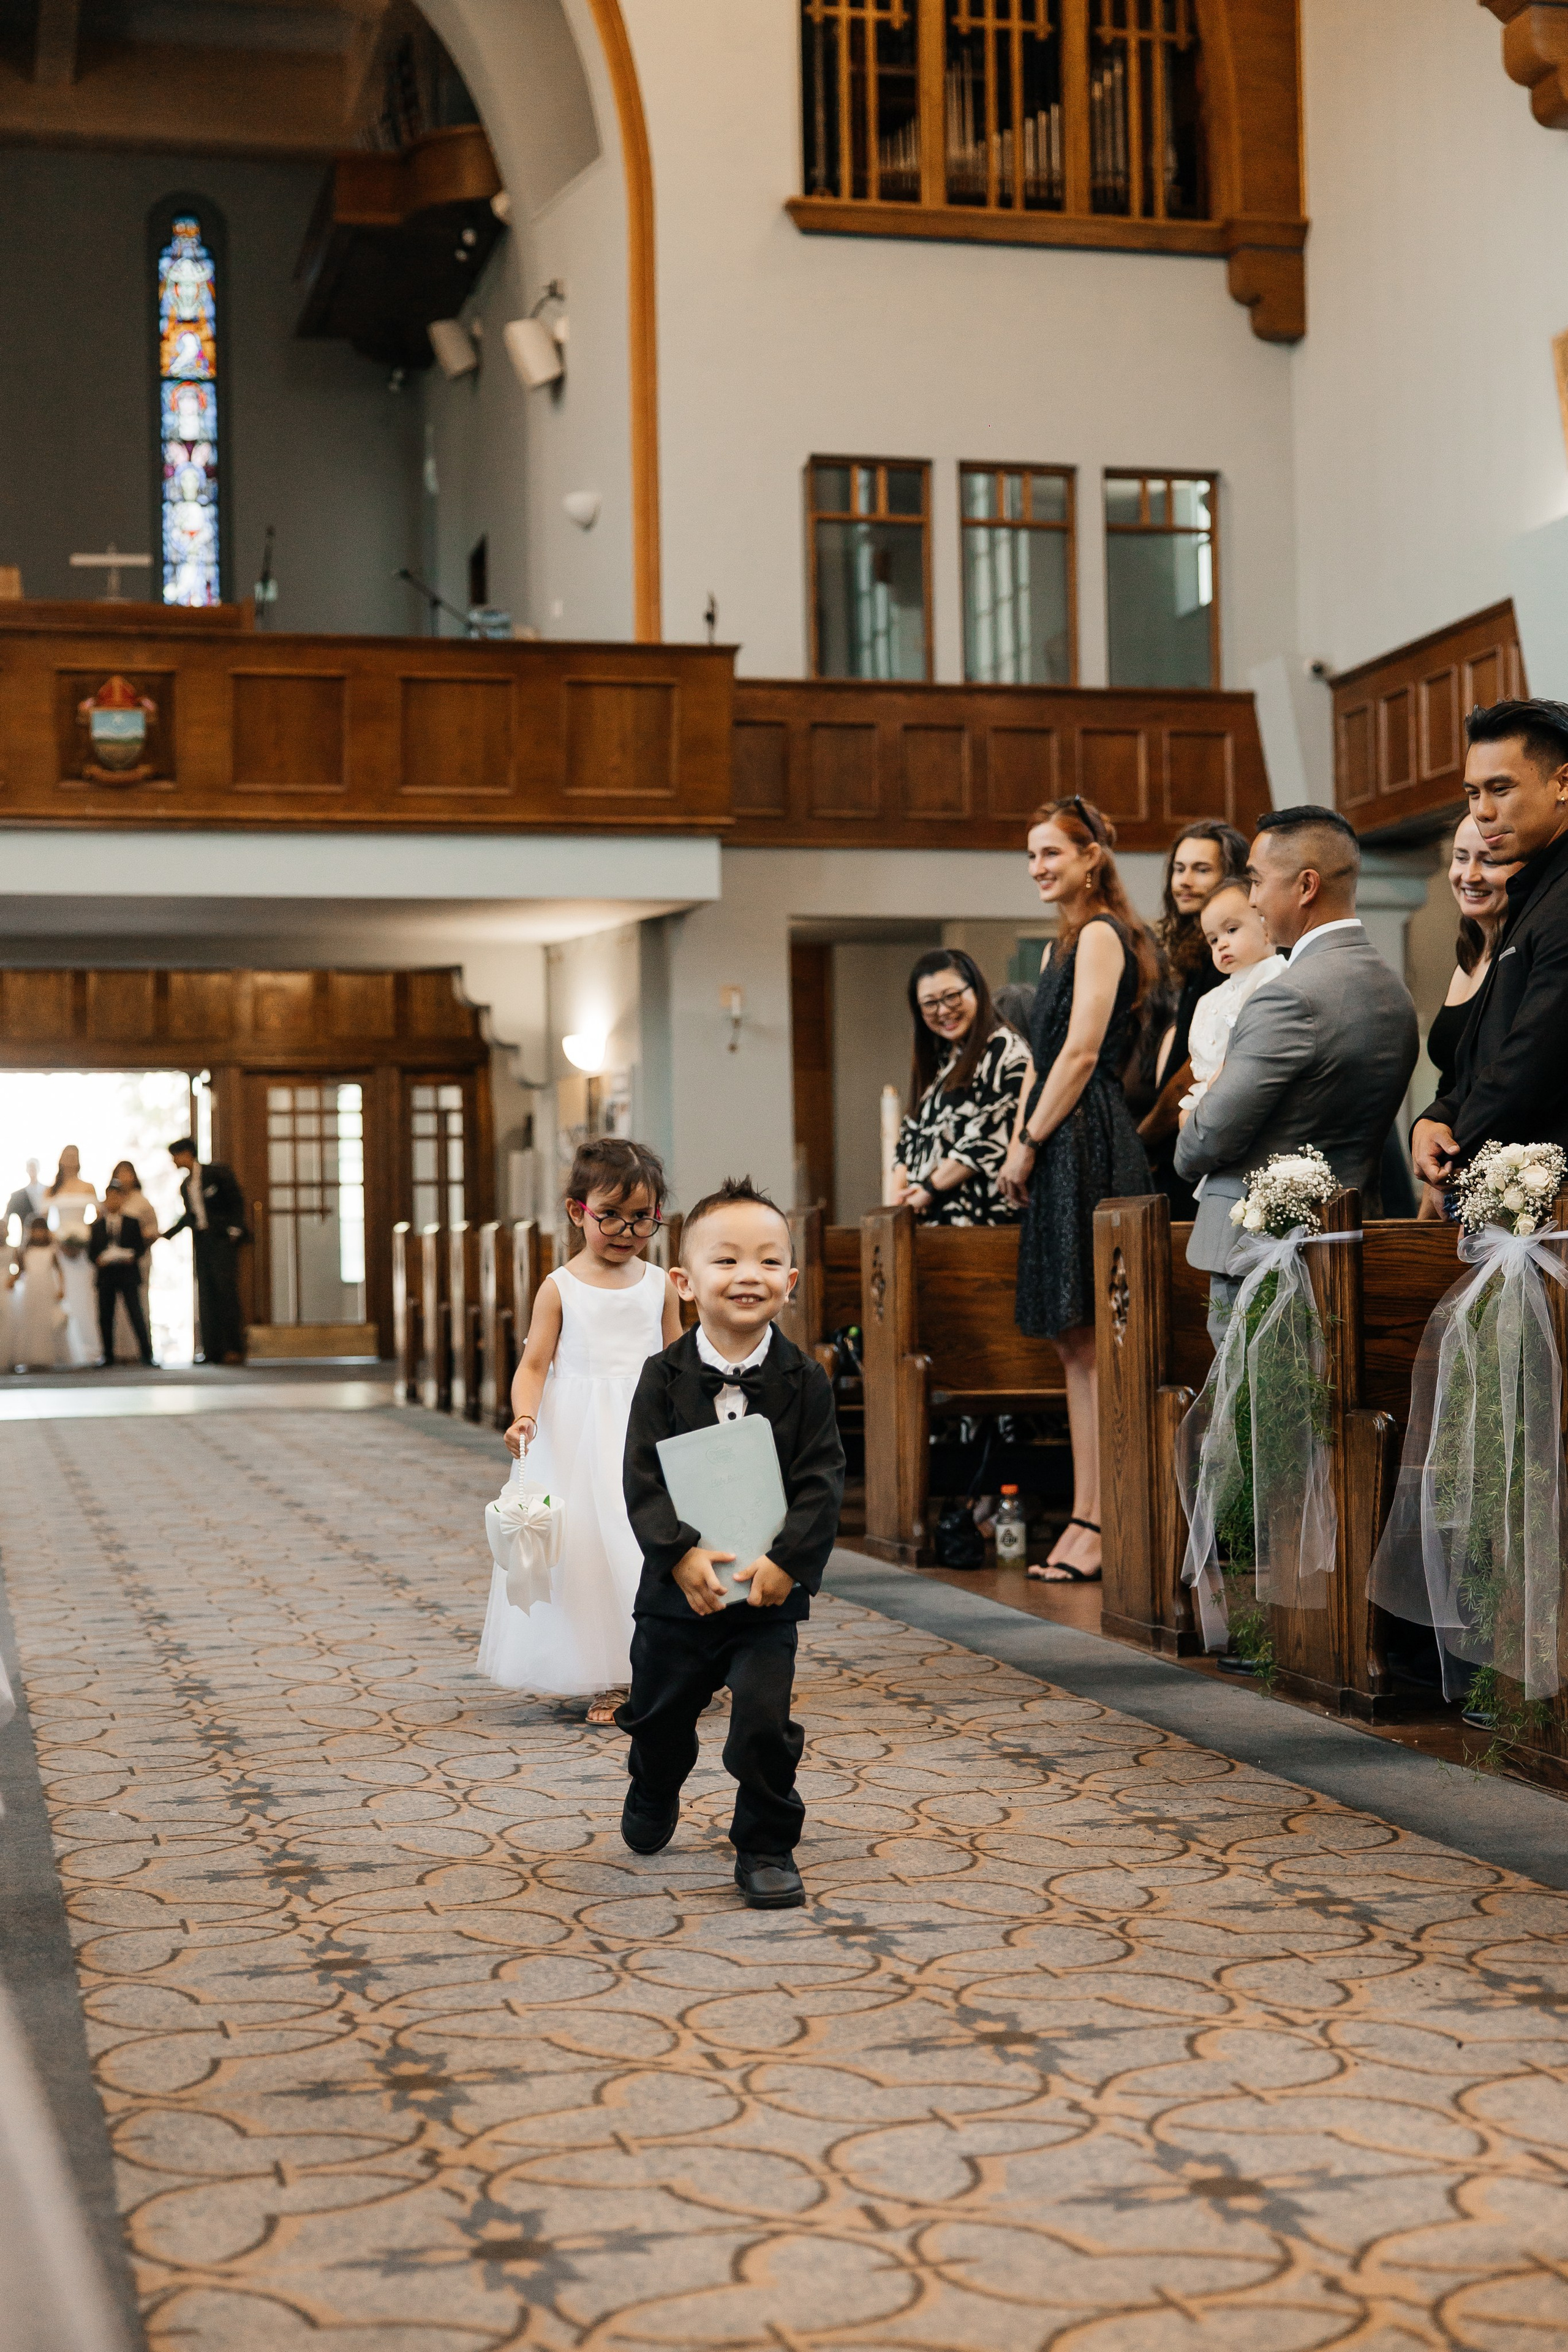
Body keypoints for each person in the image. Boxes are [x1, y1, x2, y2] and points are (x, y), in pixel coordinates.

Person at [618, 1177, 845, 1910]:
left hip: (764, 1595)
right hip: (676, 1595)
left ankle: (766, 1844)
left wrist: (788, 1563)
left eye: (768, 1261)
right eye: (726, 1260)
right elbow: (642, 1477)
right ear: (683, 1282)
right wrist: (677, 1552)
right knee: (659, 1718)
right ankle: (654, 1782)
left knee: (762, 1724)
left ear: (791, 1281)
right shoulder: (661, 1376)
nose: (750, 1275)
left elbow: (821, 1480)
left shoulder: (805, 1380)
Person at [1175, 805, 1419, 1338]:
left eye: (1258, 881)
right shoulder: (1393, 992)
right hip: (1346, 1238)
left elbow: (1203, 1142)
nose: (1253, 899)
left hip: (1262, 1255)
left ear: (1306, 886)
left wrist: (1193, 1117)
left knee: (1258, 1395)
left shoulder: (1286, 996)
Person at [998, 797, 1158, 1583]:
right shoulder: (1057, 944)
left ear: (1091, 857)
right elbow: (1038, 1057)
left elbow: (1083, 1052)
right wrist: (1016, 1143)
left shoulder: (1100, 933)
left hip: (1087, 1136)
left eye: (1051, 853)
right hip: (1053, 1135)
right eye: (1031, 856)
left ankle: (1103, 1519)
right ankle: (1082, 1514)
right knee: (1071, 1343)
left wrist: (1031, 1143)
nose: (1038, 867)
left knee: (1096, 1343)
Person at [479, 1139, 681, 1722]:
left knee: (646, 1544)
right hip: (577, 1435)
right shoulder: (560, 1286)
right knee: (591, 1550)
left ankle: (666, 1664)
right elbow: (534, 1365)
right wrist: (525, 1415)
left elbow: (676, 1359)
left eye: (641, 1217)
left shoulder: (660, 1284)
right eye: (610, 1215)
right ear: (578, 1211)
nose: (626, 1231)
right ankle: (612, 1675)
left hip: (644, 1426)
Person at [1412, 698, 1568, 1190]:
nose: (1482, 811)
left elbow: (1533, 1059)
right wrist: (1434, 1119)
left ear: (1563, 783)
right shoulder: (1534, 891)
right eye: (1473, 792)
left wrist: (1453, 1151)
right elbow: (1485, 1056)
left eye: (1501, 789)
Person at [1137, 823, 1251, 1213]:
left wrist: (1147, 1134)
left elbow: (1202, 1065)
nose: (1185, 881)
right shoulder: (1198, 951)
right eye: (1179, 868)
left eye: (1202, 870)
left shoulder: (1231, 958)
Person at [1417, 815, 1521, 1219]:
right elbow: (1454, 1079)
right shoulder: (1471, 956)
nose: (1470, 875)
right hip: (1453, 1169)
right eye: (1461, 858)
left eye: (1489, 860)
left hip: (1503, 1177)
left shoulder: (1522, 959)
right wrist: (1429, 1128)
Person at [891, 949, 1030, 1226]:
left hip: (978, 1223)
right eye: (930, 1003)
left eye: (952, 996)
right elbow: (910, 1133)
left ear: (975, 989)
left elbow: (988, 1136)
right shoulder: (944, 1060)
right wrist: (897, 1198)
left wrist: (929, 1189)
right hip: (929, 1221)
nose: (943, 1010)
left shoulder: (1006, 1051)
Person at [1176, 881, 1286, 1125]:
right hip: (1212, 1105)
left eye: (1232, 930)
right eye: (1213, 940)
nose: (1222, 944)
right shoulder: (1212, 999)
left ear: (1267, 927)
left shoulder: (1275, 979)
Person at [164, 1139, 249, 1364]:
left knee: (226, 1293)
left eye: (175, 1156)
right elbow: (190, 1216)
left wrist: (235, 1229)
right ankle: (212, 1350)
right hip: (202, 1242)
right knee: (206, 1294)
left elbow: (236, 1201)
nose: (174, 1161)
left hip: (222, 1240)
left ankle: (234, 1348)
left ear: (187, 1153)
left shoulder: (217, 1174)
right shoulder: (186, 1185)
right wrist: (167, 1234)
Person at [88, 1182, 154, 1366]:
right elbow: (92, 1253)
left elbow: (140, 1247)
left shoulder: (132, 1222)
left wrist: (131, 1256)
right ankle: (108, 1355)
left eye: (116, 1197)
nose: (113, 1201)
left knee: (136, 1314)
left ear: (122, 1199)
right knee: (105, 1316)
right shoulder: (97, 1226)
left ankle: (147, 1354)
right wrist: (99, 1260)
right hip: (106, 1276)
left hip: (127, 1274)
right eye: (109, 1197)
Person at [47, 1147, 99, 1368]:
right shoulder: (52, 1189)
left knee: (84, 1297)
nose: (70, 1160)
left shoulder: (88, 1187)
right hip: (60, 1251)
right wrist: (61, 1241)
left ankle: (89, 1348)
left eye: (74, 1156)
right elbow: (42, 1221)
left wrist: (82, 1240)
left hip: (82, 1252)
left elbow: (99, 1218)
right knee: (62, 1295)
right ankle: (63, 1350)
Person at [106, 1159, 161, 1358]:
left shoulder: (142, 1202)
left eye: (127, 1173)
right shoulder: (110, 1200)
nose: (124, 1177)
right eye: (120, 1173)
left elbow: (153, 1230)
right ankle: (119, 1351)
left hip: (137, 1260)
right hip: (113, 1264)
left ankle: (140, 1351)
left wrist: (137, 1243)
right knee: (116, 1308)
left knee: (138, 1303)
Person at [13, 1217, 66, 1370]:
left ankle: (49, 1356)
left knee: (47, 1321)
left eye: (41, 1230)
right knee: (30, 1322)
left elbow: (60, 1270)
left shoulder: (52, 1249)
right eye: (35, 1230)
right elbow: (20, 1271)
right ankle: (31, 1357)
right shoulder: (24, 1251)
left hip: (47, 1288)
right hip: (30, 1289)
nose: (38, 1233)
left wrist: (61, 1289)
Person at [4, 1158, 45, 1244]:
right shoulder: (18, 1196)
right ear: (27, 1170)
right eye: (30, 1167)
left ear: (39, 1169)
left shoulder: (48, 1192)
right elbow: (6, 1217)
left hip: (46, 1238)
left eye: (34, 1167)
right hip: (26, 1239)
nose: (32, 1170)